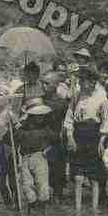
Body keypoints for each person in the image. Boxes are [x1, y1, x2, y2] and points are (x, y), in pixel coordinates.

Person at [64, 67, 108, 211]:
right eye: (81, 80)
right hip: (78, 135)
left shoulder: (102, 97)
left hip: (94, 137)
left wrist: (102, 140)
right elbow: (69, 117)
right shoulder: (77, 96)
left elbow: (105, 121)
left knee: (94, 178)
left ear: (93, 82)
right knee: (78, 177)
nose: (82, 83)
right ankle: (78, 210)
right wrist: (70, 136)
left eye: (85, 81)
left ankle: (94, 209)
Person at [8, 98, 56, 213]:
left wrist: (48, 150)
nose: (40, 118)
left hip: (40, 157)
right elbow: (15, 138)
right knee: (26, 185)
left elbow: (56, 141)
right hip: (25, 158)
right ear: (30, 115)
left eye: (42, 115)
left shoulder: (46, 128)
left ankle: (41, 210)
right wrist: (15, 123)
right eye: (37, 115)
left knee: (42, 185)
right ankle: (32, 206)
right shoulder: (22, 126)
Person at [41, 71, 70, 203]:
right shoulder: (39, 100)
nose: (43, 86)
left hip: (57, 142)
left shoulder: (63, 103)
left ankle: (57, 202)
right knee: (42, 175)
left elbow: (67, 122)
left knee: (57, 174)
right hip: (41, 141)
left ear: (56, 85)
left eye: (47, 83)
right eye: (42, 83)